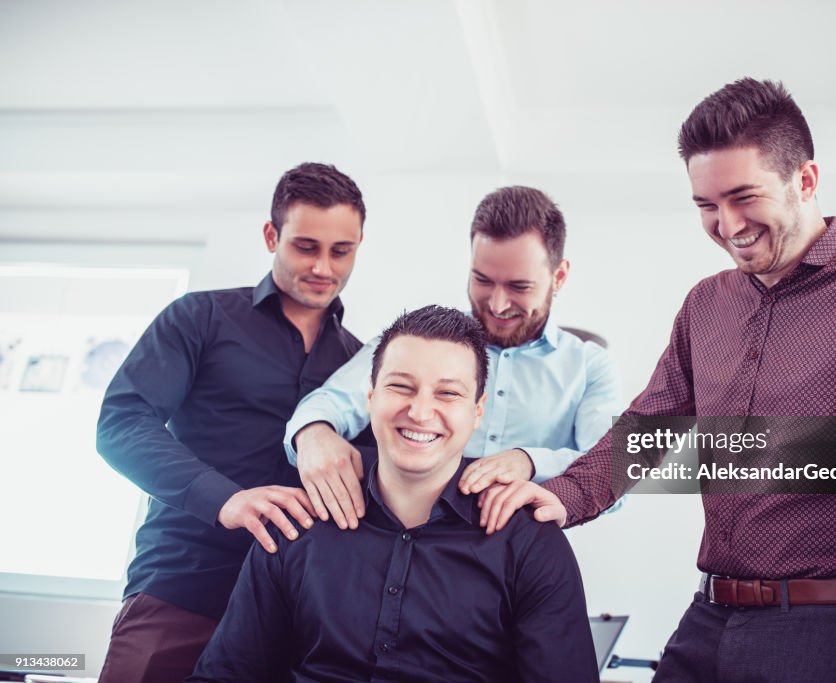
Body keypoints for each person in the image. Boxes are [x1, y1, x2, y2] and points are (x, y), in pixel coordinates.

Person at [479, 79, 836, 682]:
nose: (727, 224)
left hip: (832, 632)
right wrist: (564, 493)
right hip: (709, 619)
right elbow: (648, 428)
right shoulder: (706, 304)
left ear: (806, 180)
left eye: (744, 197)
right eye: (706, 206)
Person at [188, 306, 599, 683]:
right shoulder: (296, 530)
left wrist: (542, 468)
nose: (420, 412)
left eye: (448, 393)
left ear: (478, 411)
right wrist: (311, 431)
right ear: (370, 397)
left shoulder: (529, 545)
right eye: (401, 387)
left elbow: (649, 448)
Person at [95, 162, 371, 682]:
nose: (323, 268)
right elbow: (122, 423)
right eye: (306, 247)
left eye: (341, 251)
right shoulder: (197, 318)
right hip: (179, 589)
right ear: (272, 235)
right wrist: (224, 498)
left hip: (291, 616)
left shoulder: (361, 366)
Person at [283, 185, 621, 529]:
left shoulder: (590, 366)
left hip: (516, 560)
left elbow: (620, 468)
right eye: (483, 280)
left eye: (519, 287)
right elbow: (330, 401)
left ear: (558, 276)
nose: (498, 304)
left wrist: (531, 461)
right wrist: (314, 434)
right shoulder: (417, 339)